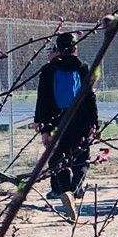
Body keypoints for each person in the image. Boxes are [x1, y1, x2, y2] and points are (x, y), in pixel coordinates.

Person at [33, 32, 98, 222]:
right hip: (80, 120)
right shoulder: (83, 67)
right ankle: (76, 189)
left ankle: (65, 190)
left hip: (56, 121)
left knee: (56, 160)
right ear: (75, 48)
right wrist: (94, 122)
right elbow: (90, 97)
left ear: (57, 49)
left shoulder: (48, 70)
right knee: (82, 158)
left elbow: (42, 99)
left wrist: (44, 127)